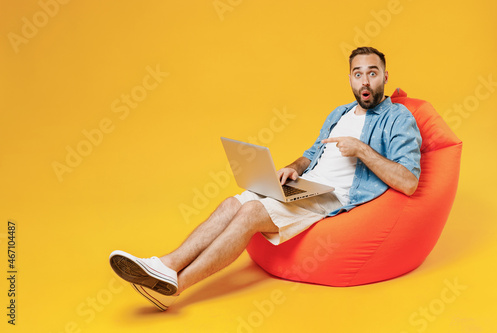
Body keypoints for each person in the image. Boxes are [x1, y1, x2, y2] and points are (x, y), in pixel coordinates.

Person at [109, 46, 422, 310]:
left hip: (333, 197)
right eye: (358, 74)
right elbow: (312, 152)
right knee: (232, 203)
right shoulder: (339, 113)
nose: (365, 81)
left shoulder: (398, 118)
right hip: (306, 185)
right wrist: (293, 168)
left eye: (372, 72)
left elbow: (408, 182)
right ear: (350, 78)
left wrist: (362, 150)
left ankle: (175, 286)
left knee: (251, 212)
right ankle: (164, 264)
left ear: (384, 76)